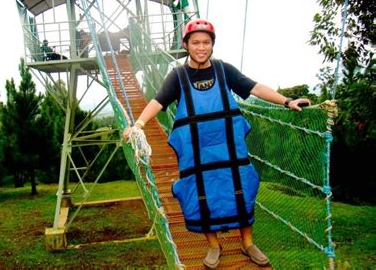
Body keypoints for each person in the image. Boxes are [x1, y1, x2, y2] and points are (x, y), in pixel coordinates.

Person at [122, 19, 310, 269]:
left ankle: (248, 243)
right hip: (196, 152)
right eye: (196, 42)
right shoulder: (178, 76)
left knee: (241, 187)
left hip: (230, 148)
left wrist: (287, 101)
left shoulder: (224, 70)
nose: (201, 47)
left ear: (213, 45)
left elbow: (254, 87)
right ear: (186, 45)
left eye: (206, 42)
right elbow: (159, 101)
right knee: (200, 193)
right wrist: (139, 124)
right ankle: (213, 245)